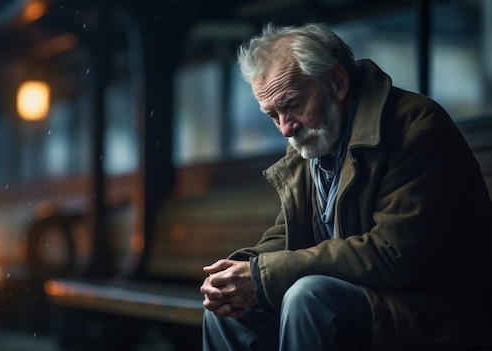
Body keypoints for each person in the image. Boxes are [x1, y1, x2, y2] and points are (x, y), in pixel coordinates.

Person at [200, 22, 492, 350]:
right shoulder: (312, 142)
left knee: (307, 297)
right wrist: (235, 273)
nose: (284, 128)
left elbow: (391, 255)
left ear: (337, 82)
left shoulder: (417, 127)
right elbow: (287, 235)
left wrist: (261, 276)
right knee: (227, 312)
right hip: (367, 305)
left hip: (434, 317)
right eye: (272, 115)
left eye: (292, 105)